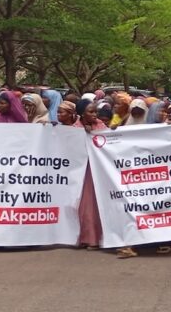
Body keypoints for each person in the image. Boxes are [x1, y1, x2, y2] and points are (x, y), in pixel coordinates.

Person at [73, 99, 106, 250]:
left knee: (96, 204)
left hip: (99, 170)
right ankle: (84, 238)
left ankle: (96, 238)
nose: (95, 114)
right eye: (91, 111)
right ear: (81, 113)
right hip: (81, 171)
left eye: (95, 111)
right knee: (84, 205)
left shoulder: (100, 125)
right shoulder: (74, 128)